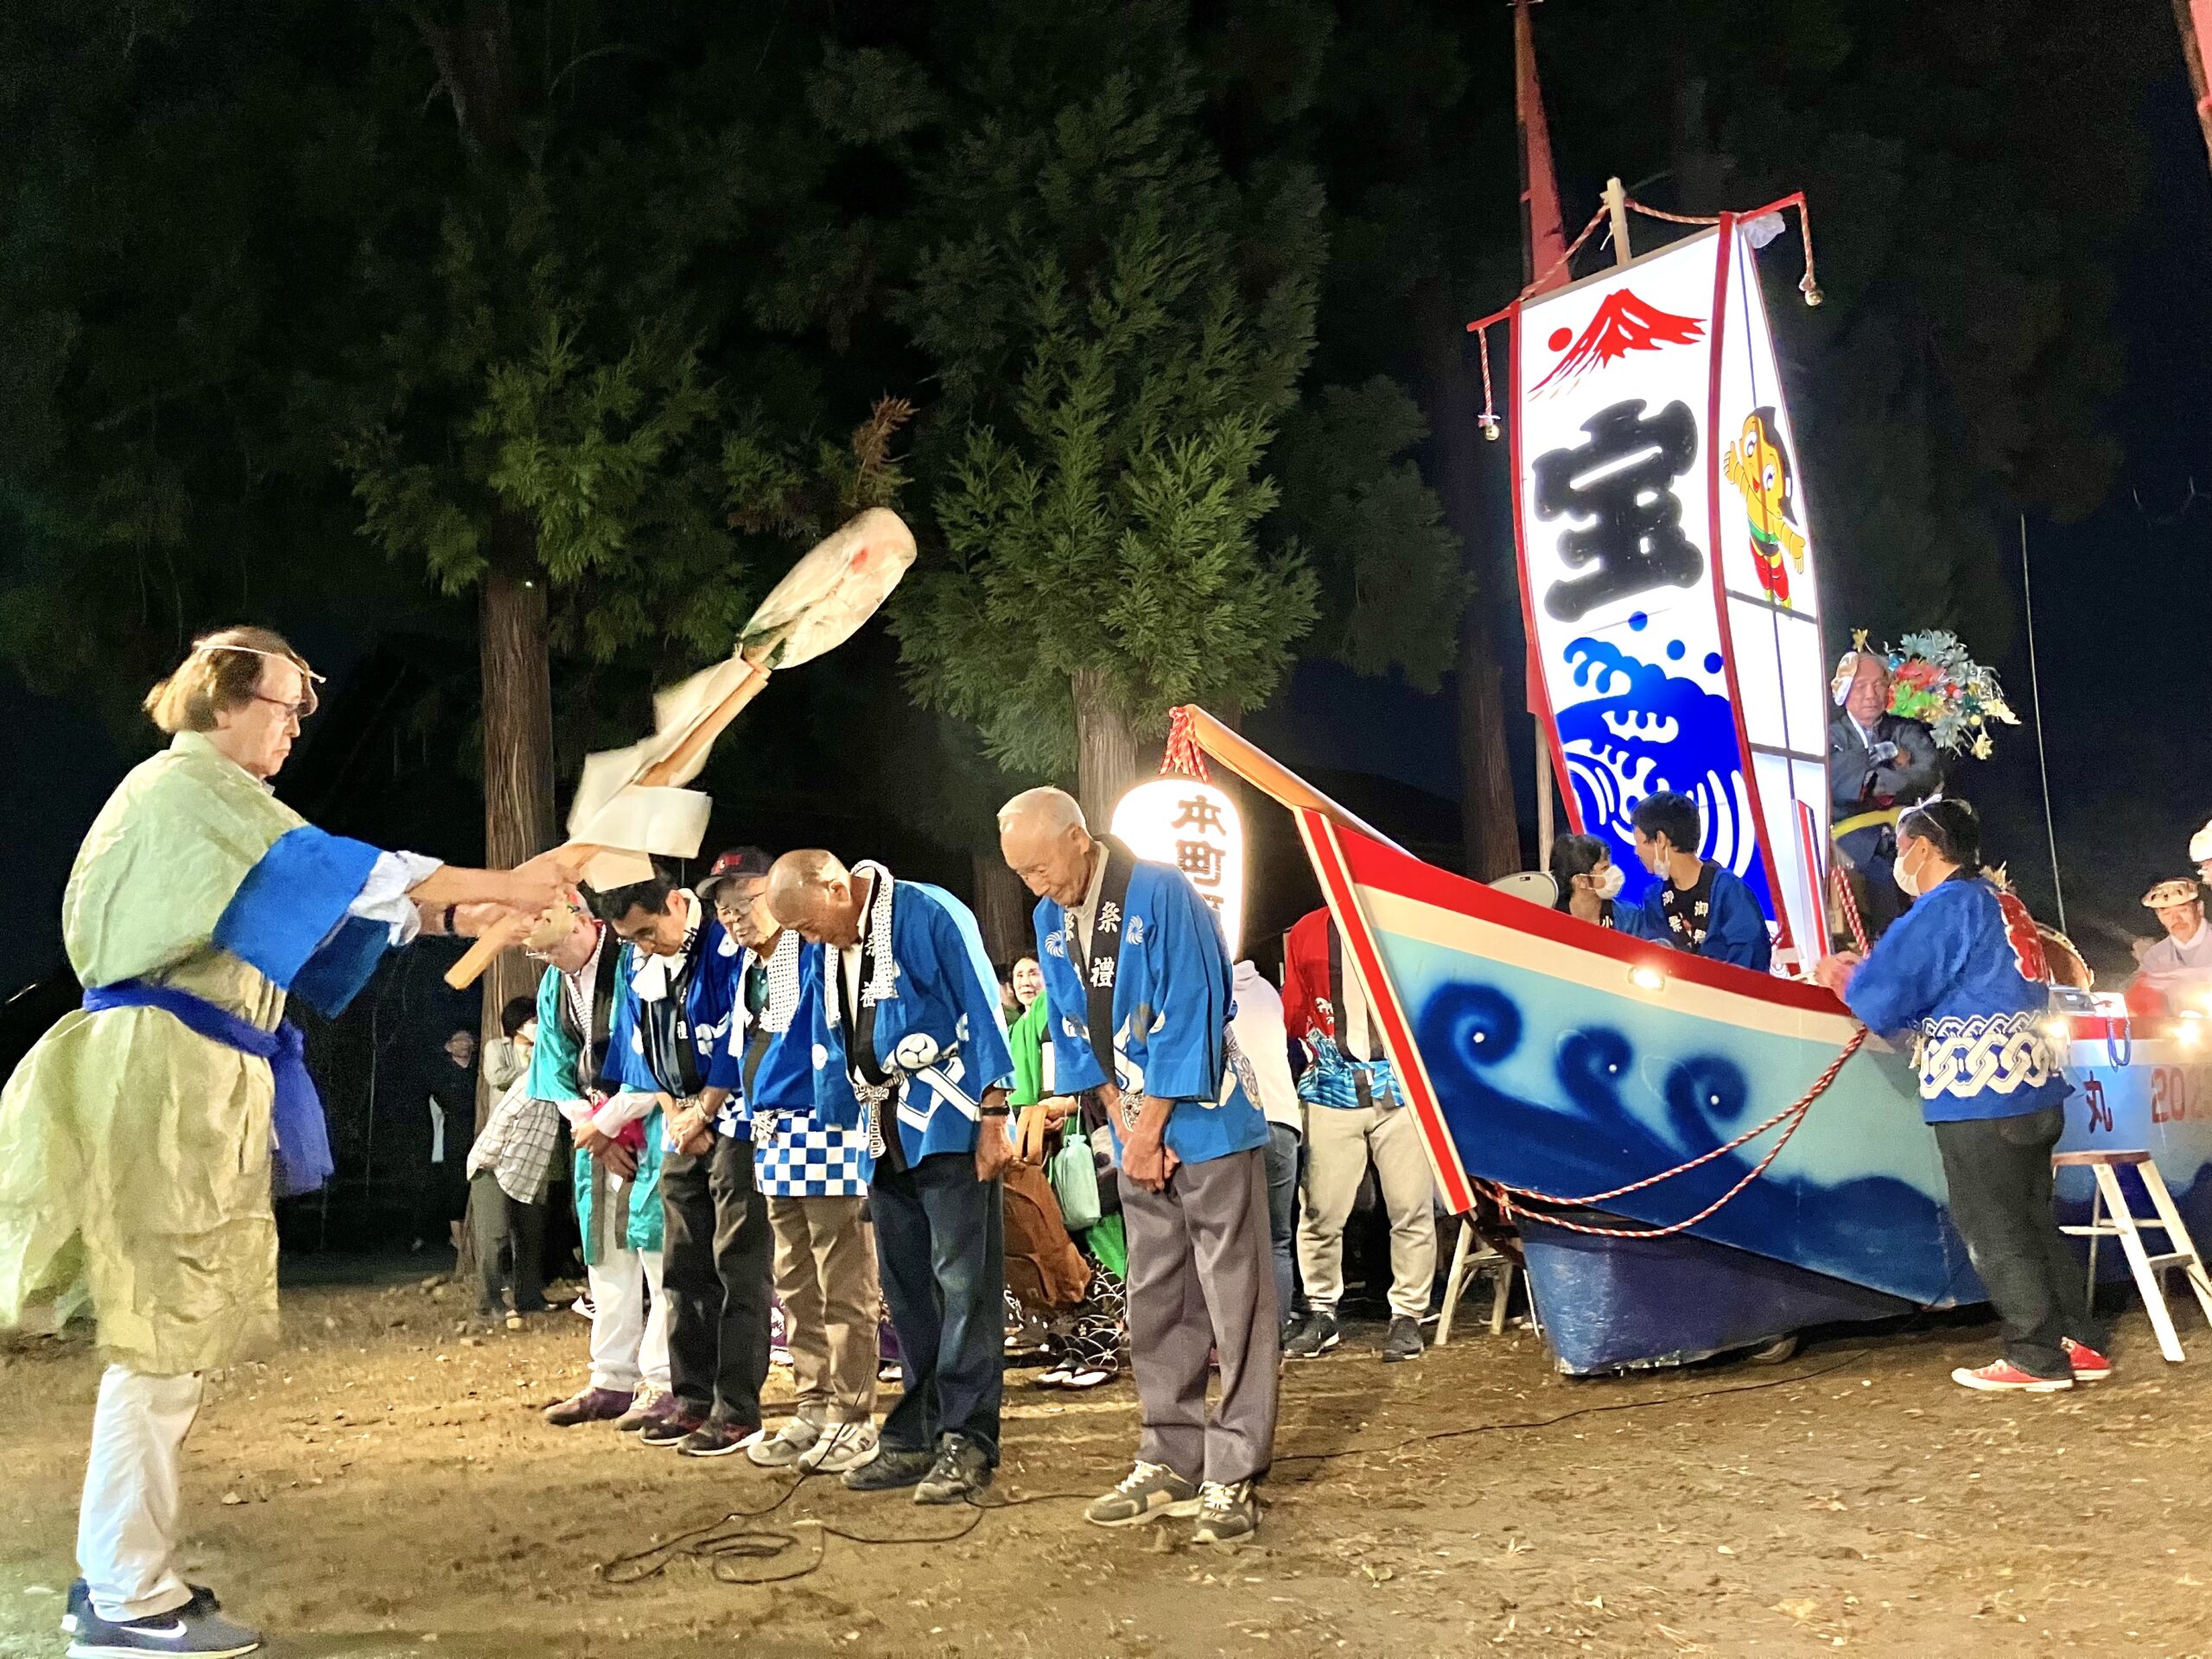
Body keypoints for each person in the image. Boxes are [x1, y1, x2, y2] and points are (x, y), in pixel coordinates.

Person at [0, 626, 569, 1658]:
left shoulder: (209, 809)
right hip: (163, 1071)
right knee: (160, 1341)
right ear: (222, 702)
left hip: (180, 1067)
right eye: (284, 707)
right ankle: (128, 1596)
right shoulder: (190, 792)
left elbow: (304, 912)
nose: (297, 727)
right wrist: (512, 883)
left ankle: (122, 1576)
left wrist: (459, 911)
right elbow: (325, 873)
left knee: (164, 1342)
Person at [999, 787, 1277, 1546]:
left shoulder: (1162, 887)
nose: (1038, 885)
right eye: (1022, 875)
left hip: (1208, 1123)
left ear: (1080, 839)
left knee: (1236, 1299)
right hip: (1136, 1130)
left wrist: (1151, 1126)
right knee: (1156, 1295)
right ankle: (1170, 1456)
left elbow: (1192, 1008)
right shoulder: (1050, 920)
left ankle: (1234, 1469)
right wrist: (1123, 1125)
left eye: (1042, 866)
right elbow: (1067, 1026)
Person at [1815, 798, 2109, 1393]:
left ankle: (2034, 1355)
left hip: (1979, 1091)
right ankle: (2075, 1341)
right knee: (2031, 1219)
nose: (1898, 861)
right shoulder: (2004, 903)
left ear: (1923, 848)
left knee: (1993, 1225)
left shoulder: (1945, 906)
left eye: (1901, 847)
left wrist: (1841, 975)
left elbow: (1885, 994)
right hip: (2036, 1086)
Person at [768, 849, 1014, 1504]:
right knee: (905, 1291)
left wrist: (996, 1112)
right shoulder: (823, 947)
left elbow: (981, 1004)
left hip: (950, 1119)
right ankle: (916, 1434)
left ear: (835, 885)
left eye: (810, 924)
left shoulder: (927, 912)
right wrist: (838, 1126)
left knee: (965, 1286)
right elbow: (830, 1037)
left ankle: (969, 1439)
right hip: (882, 1132)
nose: (808, 939)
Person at [707, 855, 885, 1476]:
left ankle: (854, 1413)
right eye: (724, 908)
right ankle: (812, 1404)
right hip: (773, 1133)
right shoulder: (750, 972)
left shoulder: (817, 953)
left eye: (746, 900)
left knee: (844, 1281)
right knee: (795, 1284)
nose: (735, 917)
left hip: (828, 1126)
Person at [588, 858, 772, 1458]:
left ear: (674, 904)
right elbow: (637, 1046)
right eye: (629, 939)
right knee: (682, 1263)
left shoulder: (724, 943)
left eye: (645, 932)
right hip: (679, 1118)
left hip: (735, 1115)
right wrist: (673, 1111)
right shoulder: (639, 961)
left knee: (736, 1261)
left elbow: (741, 1032)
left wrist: (707, 1109)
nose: (640, 946)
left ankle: (738, 1406)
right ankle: (691, 1396)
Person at [531, 901, 674, 1433]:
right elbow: (552, 1064)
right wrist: (592, 1131)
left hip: (654, 1123)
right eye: (539, 951)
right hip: (595, 1131)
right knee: (608, 1259)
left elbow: (654, 1055)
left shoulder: (633, 963)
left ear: (580, 920)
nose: (548, 957)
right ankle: (611, 1379)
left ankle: (663, 1380)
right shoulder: (554, 984)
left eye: (552, 944)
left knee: (660, 1257)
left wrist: (609, 1122)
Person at [1278, 906, 1436, 1365]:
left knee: (1411, 1206)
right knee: (1322, 1211)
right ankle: (1322, 1311)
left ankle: (1408, 1313)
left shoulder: (1401, 920)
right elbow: (1294, 1009)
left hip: (1402, 1088)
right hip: (1332, 1087)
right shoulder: (1308, 930)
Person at [1828, 651, 1942, 938]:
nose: (1871, 694)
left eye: (1878, 685)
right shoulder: (1830, 737)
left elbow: (1926, 774)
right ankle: (1889, 949)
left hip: (1907, 830)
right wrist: (1894, 760)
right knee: (1882, 876)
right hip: (1853, 839)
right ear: (1844, 690)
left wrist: (1873, 775)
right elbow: (1839, 783)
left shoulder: (1905, 730)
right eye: (1860, 686)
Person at [463, 1007, 556, 1325]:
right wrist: (488, 1163)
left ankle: (529, 1296)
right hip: (494, 1164)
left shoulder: (553, 1080)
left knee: (531, 1233)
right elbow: (501, 1123)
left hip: (529, 1166)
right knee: (495, 1237)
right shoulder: (527, 1080)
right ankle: (489, 1303)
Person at [1616, 792, 1773, 973]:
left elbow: (1752, 958)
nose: (1636, 852)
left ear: (1660, 839)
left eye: (1639, 842)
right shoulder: (1654, 897)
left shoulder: (1729, 890)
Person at [1232, 958, 1304, 1334]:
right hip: (1284, 1121)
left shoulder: (1208, 991)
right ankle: (1275, 1333)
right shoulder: (1266, 992)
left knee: (1235, 1241)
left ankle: (1243, 1339)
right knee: (1278, 1239)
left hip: (1239, 1124)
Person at [422, 1027, 479, 1254]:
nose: (464, 1044)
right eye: (459, 1040)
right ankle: (460, 1242)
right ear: (449, 1046)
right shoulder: (442, 1076)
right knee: (456, 1189)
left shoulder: (477, 1072)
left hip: (478, 1132)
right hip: (454, 1134)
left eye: (468, 1039)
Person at [2131, 878, 2212, 1009]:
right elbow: (2139, 1003)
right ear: (2159, 917)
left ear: (2199, 908)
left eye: (2183, 910)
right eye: (2166, 913)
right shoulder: (2154, 957)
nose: (2176, 919)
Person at [1548, 832, 1622, 927]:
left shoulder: (1629, 917)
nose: (1613, 872)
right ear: (1581, 880)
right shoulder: (1551, 919)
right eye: (1604, 868)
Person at [481, 995, 537, 1091]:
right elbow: (497, 1078)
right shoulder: (497, 1047)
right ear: (518, 1025)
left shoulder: (543, 1049)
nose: (538, 1025)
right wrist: (534, 1075)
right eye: (534, 1021)